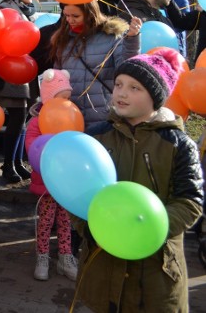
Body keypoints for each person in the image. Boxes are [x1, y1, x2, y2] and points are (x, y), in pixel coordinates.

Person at [74, 50, 203, 312]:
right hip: (102, 266)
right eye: (119, 84)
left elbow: (190, 202)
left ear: (155, 98)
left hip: (155, 272)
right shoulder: (97, 138)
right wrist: (88, 227)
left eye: (135, 88)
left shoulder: (177, 144)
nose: (121, 93)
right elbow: (77, 193)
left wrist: (148, 231)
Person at [48, 1, 141, 129]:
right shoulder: (63, 39)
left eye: (75, 16)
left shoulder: (111, 36)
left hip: (103, 114)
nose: (70, 20)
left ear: (90, 14)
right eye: (66, 15)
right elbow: (57, 78)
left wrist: (132, 41)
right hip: (70, 114)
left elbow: (126, 69)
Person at [24, 69, 78, 282]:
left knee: (66, 221)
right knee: (45, 222)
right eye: (62, 97)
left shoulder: (72, 118)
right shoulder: (37, 123)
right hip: (46, 182)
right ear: (49, 98)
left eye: (68, 98)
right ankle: (42, 258)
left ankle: (65, 258)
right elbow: (32, 148)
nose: (67, 102)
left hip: (65, 184)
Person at [0, 0, 35, 183]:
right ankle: (9, 164)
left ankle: (17, 161)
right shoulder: (7, 10)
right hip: (11, 69)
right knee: (18, 116)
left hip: (25, 69)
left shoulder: (27, 11)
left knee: (23, 118)